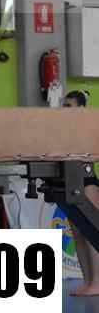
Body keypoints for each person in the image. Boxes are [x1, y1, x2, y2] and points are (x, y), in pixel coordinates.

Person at [62, 90, 99, 297]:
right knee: (77, 233)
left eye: (69, 106)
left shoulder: (89, 126)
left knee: (90, 231)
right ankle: (87, 281)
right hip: (69, 181)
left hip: (86, 181)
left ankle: (97, 282)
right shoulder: (64, 130)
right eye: (64, 106)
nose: (65, 110)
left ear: (82, 107)